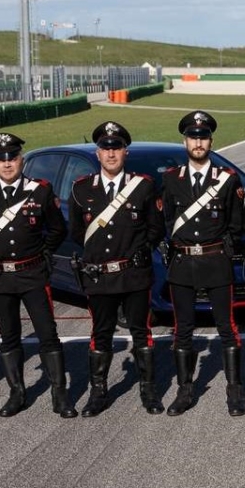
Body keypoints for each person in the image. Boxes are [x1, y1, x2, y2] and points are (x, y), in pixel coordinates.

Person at [0, 132, 72, 418]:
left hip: (32, 274)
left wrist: (43, 252)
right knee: (9, 336)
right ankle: (17, 393)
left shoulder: (40, 191)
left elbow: (57, 229)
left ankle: (60, 395)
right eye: (1, 158)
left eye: (12, 158)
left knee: (47, 334)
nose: (7, 164)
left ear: (21, 160)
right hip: (0, 277)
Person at [67, 121, 167, 417]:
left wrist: (136, 253)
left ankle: (149, 391)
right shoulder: (81, 189)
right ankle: (98, 393)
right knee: (101, 333)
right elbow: (77, 233)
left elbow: (156, 228)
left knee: (141, 331)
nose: (111, 154)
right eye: (105, 148)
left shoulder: (144, 186)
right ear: (97, 153)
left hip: (134, 275)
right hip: (100, 277)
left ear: (125, 152)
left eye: (117, 148)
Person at [160, 110, 245, 417]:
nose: (198, 143)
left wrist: (223, 251)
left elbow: (235, 224)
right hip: (183, 263)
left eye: (203, 137)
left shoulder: (227, 179)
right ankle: (185, 390)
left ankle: (235, 390)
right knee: (183, 329)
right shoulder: (170, 180)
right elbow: (167, 220)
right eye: (193, 137)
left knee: (227, 327)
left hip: (215, 262)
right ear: (185, 141)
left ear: (211, 141)